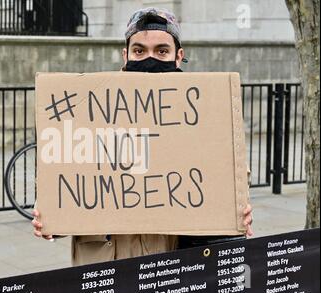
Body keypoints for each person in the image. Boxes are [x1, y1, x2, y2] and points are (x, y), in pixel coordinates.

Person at [32, 7, 253, 266]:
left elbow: (229, 182)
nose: (150, 58)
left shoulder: (207, 114)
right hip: (105, 270)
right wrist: (50, 219)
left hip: (173, 268)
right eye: (139, 51)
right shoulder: (92, 110)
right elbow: (70, 185)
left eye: (162, 51)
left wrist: (237, 211)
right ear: (125, 56)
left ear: (178, 56)